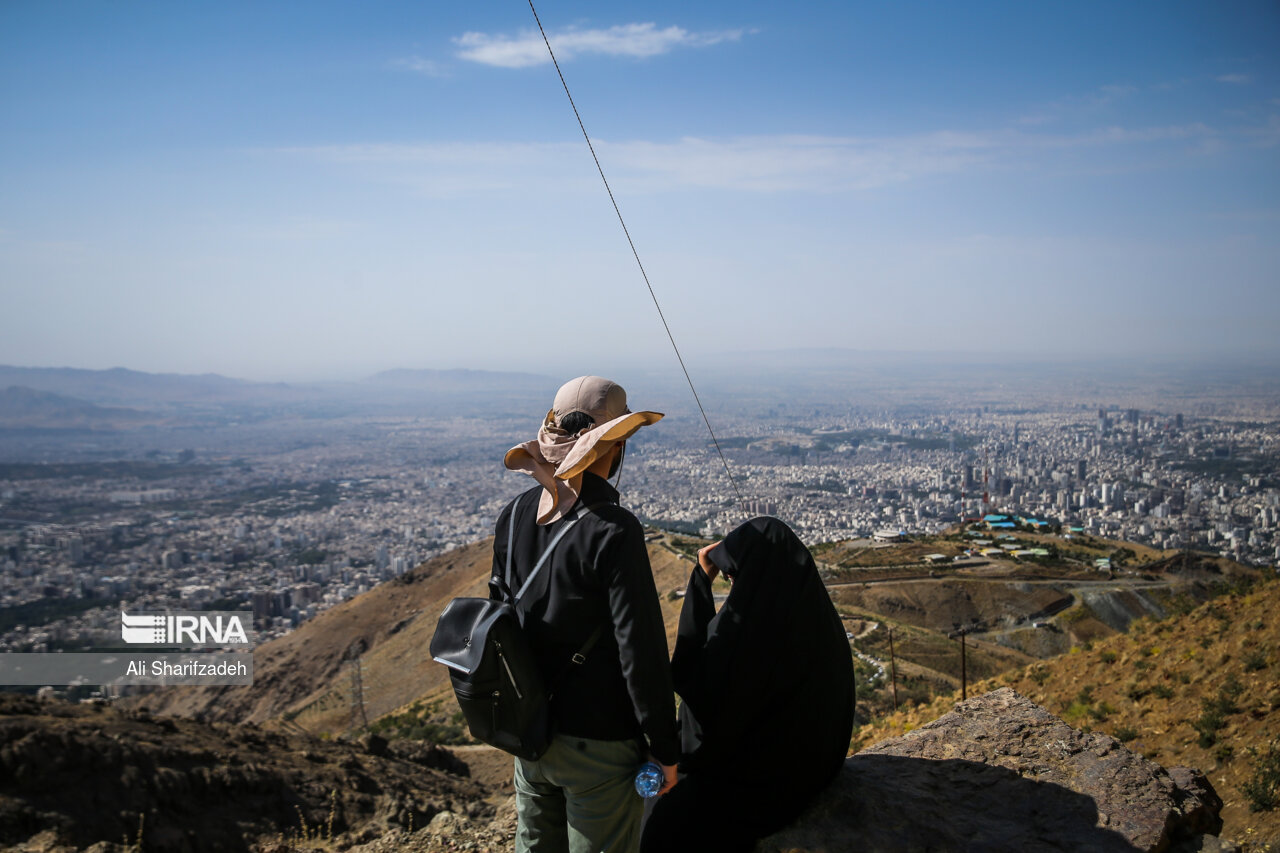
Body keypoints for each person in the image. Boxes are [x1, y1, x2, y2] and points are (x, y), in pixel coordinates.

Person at [496, 375, 680, 853]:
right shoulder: (614, 530)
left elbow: (501, 625)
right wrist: (665, 748)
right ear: (614, 446)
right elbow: (639, 651)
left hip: (531, 735)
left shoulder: (514, 516)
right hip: (599, 743)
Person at [641, 516, 855, 853]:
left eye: (736, 573)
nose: (734, 580)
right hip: (818, 764)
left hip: (766, 780)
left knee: (658, 814)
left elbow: (694, 689)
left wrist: (701, 581)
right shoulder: (816, 618)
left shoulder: (745, 636)